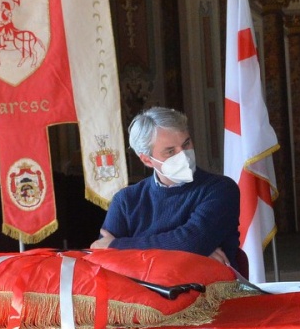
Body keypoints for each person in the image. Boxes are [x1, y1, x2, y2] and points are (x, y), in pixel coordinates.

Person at [92, 107, 242, 267]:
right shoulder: (126, 200)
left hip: (209, 289)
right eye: (170, 151)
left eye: (186, 143)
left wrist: (118, 245)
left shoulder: (221, 189)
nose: (183, 155)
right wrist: (188, 251)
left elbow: (191, 242)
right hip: (141, 290)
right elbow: (105, 261)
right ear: (147, 160)